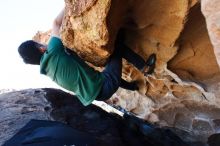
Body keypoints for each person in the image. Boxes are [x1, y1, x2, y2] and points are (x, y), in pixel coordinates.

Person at [18, 8, 156, 106]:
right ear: (41, 49)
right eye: (41, 43)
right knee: (116, 48)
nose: (44, 43)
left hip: (98, 95)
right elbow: (56, 23)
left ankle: (133, 87)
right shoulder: (52, 53)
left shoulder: (48, 71)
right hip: (104, 85)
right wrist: (69, 4)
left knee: (108, 71)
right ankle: (145, 67)